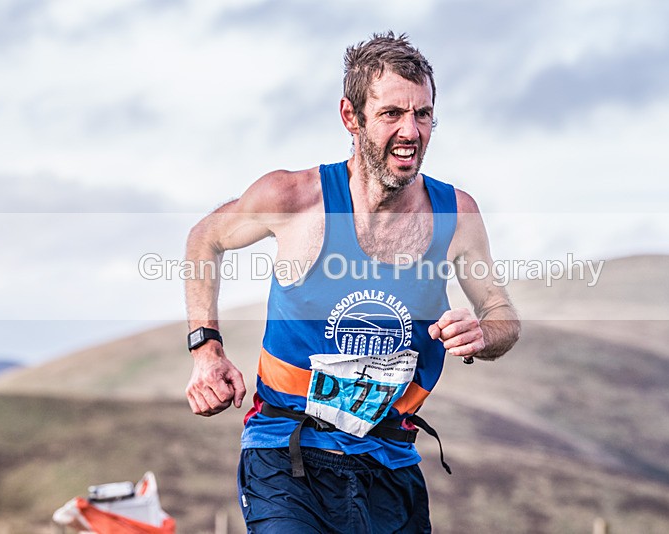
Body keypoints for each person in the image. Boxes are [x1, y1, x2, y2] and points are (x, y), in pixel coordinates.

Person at [184, 32, 520, 533]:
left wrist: (483, 333)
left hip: (391, 459)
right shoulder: (295, 198)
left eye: (423, 114)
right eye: (391, 114)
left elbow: (503, 318)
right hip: (288, 453)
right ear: (351, 117)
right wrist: (206, 350)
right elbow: (204, 239)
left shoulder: (456, 214)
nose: (411, 131)